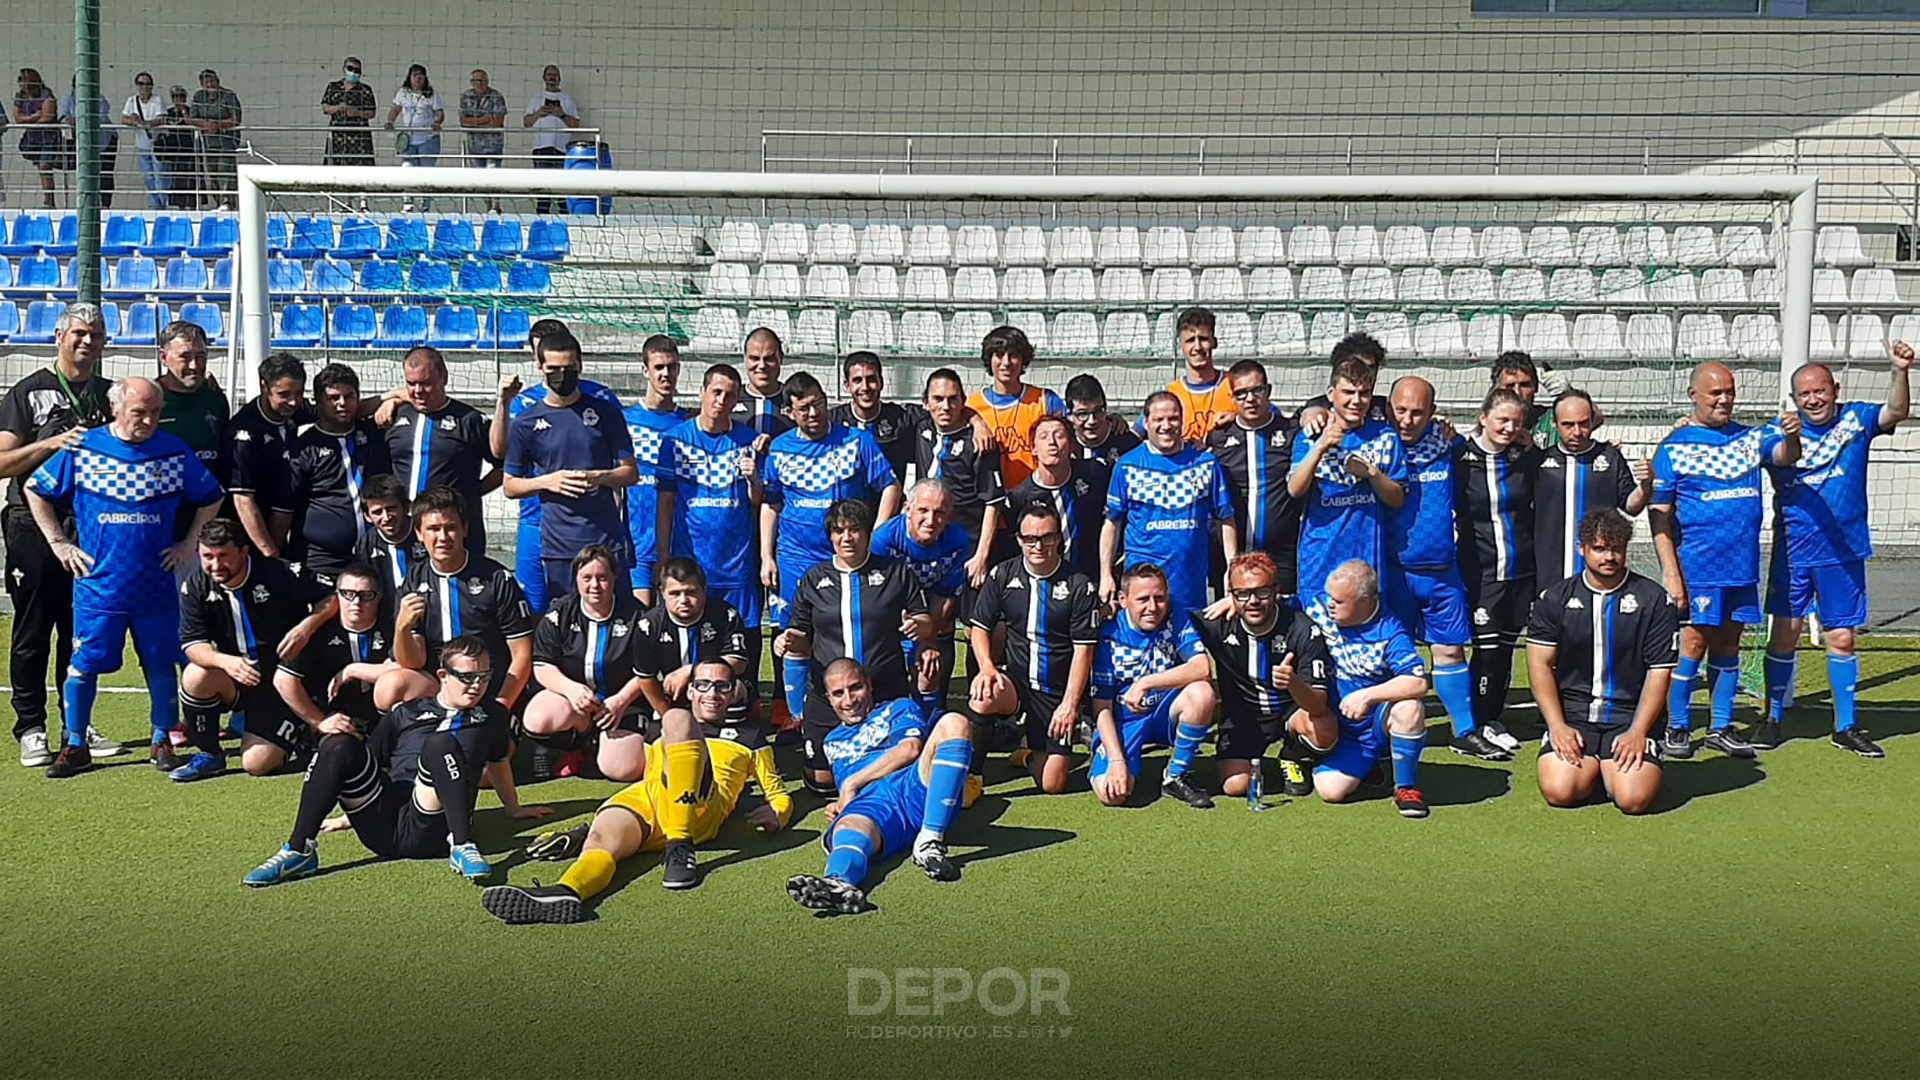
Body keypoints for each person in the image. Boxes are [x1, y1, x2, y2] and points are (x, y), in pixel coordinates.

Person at [483, 657, 789, 919]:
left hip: (700, 806)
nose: (713, 693)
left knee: (677, 717)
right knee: (601, 842)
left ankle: (680, 847)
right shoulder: (658, 727)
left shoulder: (750, 738)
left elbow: (777, 793)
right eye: (704, 685)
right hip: (648, 798)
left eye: (723, 685)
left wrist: (778, 813)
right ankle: (566, 892)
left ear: (734, 691)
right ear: (691, 690)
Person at [27, 377, 224, 778]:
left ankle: (161, 739)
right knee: (84, 664)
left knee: (161, 662)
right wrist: (59, 543)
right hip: (99, 584)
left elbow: (211, 496)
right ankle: (76, 743)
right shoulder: (83, 448)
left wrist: (188, 543)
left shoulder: (173, 450)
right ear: (117, 409)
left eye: (154, 412)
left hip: (156, 585)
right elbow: (36, 489)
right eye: (139, 412)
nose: (148, 420)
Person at [243, 634, 550, 888]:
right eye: (467, 677)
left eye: (484, 676)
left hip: (432, 824)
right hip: (383, 825)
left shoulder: (493, 716)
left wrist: (513, 808)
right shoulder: (406, 712)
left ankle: (462, 845)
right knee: (338, 745)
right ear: (443, 676)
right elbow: (372, 764)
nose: (477, 685)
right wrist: (347, 817)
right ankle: (299, 850)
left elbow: (498, 761)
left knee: (440, 743)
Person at [1760, 344, 1912, 758]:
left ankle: (1845, 726)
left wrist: (1900, 371)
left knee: (1842, 638)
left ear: (1834, 389)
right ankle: (1773, 718)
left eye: (1820, 390)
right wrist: (1792, 437)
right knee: (1785, 636)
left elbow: (1895, 412)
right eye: (1805, 394)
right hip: (1794, 551)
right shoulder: (1780, 432)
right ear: (1795, 399)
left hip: (1843, 552)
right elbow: (1784, 457)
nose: (1814, 399)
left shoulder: (1856, 419)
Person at [1649, 361, 1800, 760]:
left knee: (1730, 644)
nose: (1724, 399)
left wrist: (1793, 436)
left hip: (1741, 566)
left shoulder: (1752, 438)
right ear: (1693, 395)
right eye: (1715, 392)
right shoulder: (1674, 447)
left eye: (1730, 391)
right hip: (1698, 567)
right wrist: (1671, 571)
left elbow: (1785, 456)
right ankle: (1678, 728)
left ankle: (1720, 726)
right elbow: (1659, 515)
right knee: (1693, 644)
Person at [0, 303, 111, 768]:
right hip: (32, 524)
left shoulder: (111, 394)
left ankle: (76, 724)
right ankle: (30, 727)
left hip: (91, 525)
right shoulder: (28, 393)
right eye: (79, 334)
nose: (87, 342)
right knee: (33, 630)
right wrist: (49, 443)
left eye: (96, 335)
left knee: (81, 629)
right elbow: (2, 463)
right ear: (59, 337)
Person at [761, 373, 901, 729]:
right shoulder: (779, 449)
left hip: (847, 556)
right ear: (791, 412)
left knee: (856, 629)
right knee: (793, 635)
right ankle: (798, 716)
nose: (814, 413)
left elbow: (889, 486)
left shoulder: (857, 440)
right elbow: (771, 503)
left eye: (819, 403)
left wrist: (878, 533)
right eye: (804, 408)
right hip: (795, 557)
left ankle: (864, 706)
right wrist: (767, 555)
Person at [785, 659, 975, 915]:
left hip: (915, 788)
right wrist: (840, 803)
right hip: (874, 807)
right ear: (828, 698)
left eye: (855, 688)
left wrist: (852, 783)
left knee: (954, 722)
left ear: (870, 685)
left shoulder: (898, 708)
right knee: (850, 827)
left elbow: (910, 749)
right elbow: (845, 791)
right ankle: (839, 883)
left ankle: (929, 841)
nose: (849, 700)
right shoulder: (830, 741)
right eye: (838, 693)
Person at [1384, 376, 1503, 760]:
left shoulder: (1449, 447)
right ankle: (1386, 730)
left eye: (1417, 412)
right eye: (1400, 410)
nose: (1407, 419)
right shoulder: (1378, 447)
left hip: (1441, 571)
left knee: (1450, 651)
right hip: (1392, 572)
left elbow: (1495, 441)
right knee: (1391, 654)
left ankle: (1463, 730)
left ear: (1433, 414)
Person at [1530, 509, 1679, 815]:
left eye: (1616, 549)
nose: (1609, 556)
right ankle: (1591, 767)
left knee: (1633, 800)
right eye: (1600, 548)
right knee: (1561, 791)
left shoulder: (1655, 600)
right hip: (1575, 715)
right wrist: (1557, 726)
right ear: (1582, 548)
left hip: (1628, 716)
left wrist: (1638, 731)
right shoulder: (1554, 599)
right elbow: (1540, 665)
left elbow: (1659, 671)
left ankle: (1619, 766)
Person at [782, 499, 930, 795]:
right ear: (831, 537)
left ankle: (867, 775)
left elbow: (925, 618)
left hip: (884, 689)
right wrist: (787, 640)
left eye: (854, 530)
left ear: (867, 534)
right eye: (839, 531)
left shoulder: (896, 572)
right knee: (821, 784)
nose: (846, 538)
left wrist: (920, 626)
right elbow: (799, 630)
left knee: (900, 772)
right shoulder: (814, 578)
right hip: (830, 695)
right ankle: (861, 771)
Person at [177, 518, 337, 781]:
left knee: (257, 764)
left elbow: (331, 597)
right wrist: (226, 662)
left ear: (243, 551)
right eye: (207, 556)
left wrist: (306, 626)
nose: (216, 565)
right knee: (196, 674)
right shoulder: (196, 585)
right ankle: (209, 754)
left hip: (283, 683)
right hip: (240, 679)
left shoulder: (279, 573)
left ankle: (298, 729)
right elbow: (193, 645)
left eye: (223, 556)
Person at [490, 317, 623, 613]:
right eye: (544, 357)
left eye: (567, 366)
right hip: (538, 519)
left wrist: (603, 479)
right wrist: (502, 403)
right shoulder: (524, 404)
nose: (560, 373)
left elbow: (625, 467)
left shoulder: (600, 399)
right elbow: (500, 453)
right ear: (537, 359)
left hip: (594, 524)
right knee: (541, 605)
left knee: (603, 602)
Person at [967, 503, 1099, 799]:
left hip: (1055, 692)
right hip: (1017, 684)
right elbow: (979, 627)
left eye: (1046, 537)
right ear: (1019, 539)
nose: (1038, 545)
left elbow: (1084, 653)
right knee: (984, 692)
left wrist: (1070, 705)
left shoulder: (1079, 585)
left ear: (1058, 540)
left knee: (1053, 784)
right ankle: (972, 776)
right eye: (1030, 538)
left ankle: (1029, 750)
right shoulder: (1003, 574)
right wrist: (987, 667)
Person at [1191, 552, 1336, 801]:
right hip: (1243, 717)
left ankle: (1293, 757)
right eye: (1243, 593)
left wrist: (1293, 682)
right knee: (1235, 786)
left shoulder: (1302, 628)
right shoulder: (1216, 623)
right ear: (1231, 594)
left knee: (1325, 729)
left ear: (1276, 590)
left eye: (1262, 592)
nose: (1253, 601)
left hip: (1290, 712)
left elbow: (1318, 704)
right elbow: (1169, 622)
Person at [382, 486, 535, 714]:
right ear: (419, 533)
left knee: (485, 747)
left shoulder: (496, 579)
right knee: (388, 687)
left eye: (450, 528)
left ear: (465, 529)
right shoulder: (412, 581)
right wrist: (402, 628)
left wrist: (500, 709)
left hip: (485, 686)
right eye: (433, 529)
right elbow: (413, 663)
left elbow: (522, 653)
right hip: (437, 686)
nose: (443, 537)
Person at [1300, 559, 1434, 818]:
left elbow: (1418, 682)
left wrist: (1368, 695)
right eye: (1330, 597)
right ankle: (1373, 765)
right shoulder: (1317, 605)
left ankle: (1406, 787)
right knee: (1330, 791)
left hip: (1375, 722)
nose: (1329, 604)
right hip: (1341, 727)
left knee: (1410, 708)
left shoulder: (1391, 632)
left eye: (1338, 602)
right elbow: (1275, 605)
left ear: (1364, 601)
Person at [1088, 564, 1220, 809]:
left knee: (1202, 692)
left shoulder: (1175, 615)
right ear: (1123, 600)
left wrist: (1146, 683)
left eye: (1159, 598)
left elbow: (1202, 668)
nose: (1153, 607)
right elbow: (1102, 708)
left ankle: (1176, 776)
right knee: (1113, 794)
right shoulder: (1109, 635)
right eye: (1143, 599)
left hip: (1164, 710)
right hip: (1124, 720)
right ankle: (1106, 751)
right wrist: (1117, 760)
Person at [1454, 387, 1541, 750]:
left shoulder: (1524, 457)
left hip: (1521, 570)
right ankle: (1472, 725)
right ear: (1483, 417)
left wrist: (1530, 442)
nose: (1508, 428)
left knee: (1505, 650)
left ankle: (1493, 719)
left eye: (1515, 422)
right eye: (1502, 420)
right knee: (1485, 651)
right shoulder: (1459, 457)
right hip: (1481, 572)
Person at [656, 363, 762, 658]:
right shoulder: (675, 440)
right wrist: (663, 556)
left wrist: (754, 478)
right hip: (692, 563)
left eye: (729, 396)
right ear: (702, 392)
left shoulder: (748, 440)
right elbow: (665, 502)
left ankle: (748, 704)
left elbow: (757, 500)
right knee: (694, 647)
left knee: (744, 647)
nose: (721, 401)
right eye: (716, 392)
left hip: (737, 565)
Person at [520, 546, 651, 782]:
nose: (594, 586)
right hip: (577, 702)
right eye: (587, 578)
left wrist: (621, 700)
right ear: (576, 579)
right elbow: (542, 664)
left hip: (623, 703)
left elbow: (650, 671)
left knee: (622, 769)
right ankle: (577, 746)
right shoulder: (560, 613)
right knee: (537, 719)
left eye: (602, 578)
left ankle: (610, 745)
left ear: (615, 577)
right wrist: (571, 690)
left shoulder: (637, 615)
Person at [1099, 391, 1238, 614]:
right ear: (1146, 422)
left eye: (1173, 418)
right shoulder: (1127, 466)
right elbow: (1111, 524)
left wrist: (1232, 568)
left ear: (1182, 421)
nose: (1166, 425)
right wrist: (1105, 574)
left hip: (1190, 587)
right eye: (1158, 419)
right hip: (1143, 590)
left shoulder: (1206, 463)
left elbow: (1225, 518)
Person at [1286, 353, 1407, 602]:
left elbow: (1397, 499)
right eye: (1348, 392)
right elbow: (1295, 490)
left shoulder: (1385, 437)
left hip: (1366, 558)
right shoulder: (1310, 436)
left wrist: (1373, 474)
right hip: (1319, 559)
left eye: (1364, 393)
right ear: (1331, 393)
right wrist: (1320, 447)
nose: (1356, 401)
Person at [283, 364, 391, 587]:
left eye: (349, 396)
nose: (342, 403)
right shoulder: (303, 449)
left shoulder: (374, 433)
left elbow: (408, 394)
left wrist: (393, 400)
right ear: (318, 401)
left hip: (377, 552)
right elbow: (284, 511)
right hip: (322, 560)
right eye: (333, 397)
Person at [872, 479, 971, 722]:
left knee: (930, 661)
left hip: (928, 608)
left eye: (939, 513)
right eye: (923, 510)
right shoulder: (884, 540)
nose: (930, 520)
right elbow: (875, 598)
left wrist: (927, 641)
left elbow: (944, 597)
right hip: (887, 610)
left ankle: (931, 721)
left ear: (949, 516)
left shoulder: (958, 541)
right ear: (907, 508)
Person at [386, 346, 499, 556]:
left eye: (426, 383)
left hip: (452, 532)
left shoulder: (470, 420)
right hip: (406, 530)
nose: (418, 390)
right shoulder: (395, 417)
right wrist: (389, 399)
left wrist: (474, 491)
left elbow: (506, 465)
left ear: (444, 377)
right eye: (411, 384)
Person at [1533, 389, 1651, 589]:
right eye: (1568, 425)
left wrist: (1646, 485)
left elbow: (1631, 506)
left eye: (1583, 423)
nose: (1577, 432)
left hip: (1599, 573)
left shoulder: (1610, 457)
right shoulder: (1539, 461)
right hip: (1549, 572)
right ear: (1555, 424)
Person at [1206, 359, 1302, 594]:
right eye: (1241, 393)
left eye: (1257, 390)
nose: (1250, 399)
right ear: (1232, 397)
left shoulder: (1292, 432)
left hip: (1280, 555)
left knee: (1282, 622)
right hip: (1230, 556)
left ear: (1268, 391)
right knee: (1232, 625)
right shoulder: (1218, 439)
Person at [273, 562, 398, 739]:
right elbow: (283, 680)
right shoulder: (319, 630)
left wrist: (353, 670)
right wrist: (320, 721)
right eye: (348, 594)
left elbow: (408, 667)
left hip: (384, 714)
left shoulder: (391, 626)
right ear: (337, 596)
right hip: (338, 716)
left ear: (379, 597)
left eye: (366, 595)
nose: (356, 602)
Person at [907, 367, 1005, 587]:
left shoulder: (980, 443)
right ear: (926, 402)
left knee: (971, 617)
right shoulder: (920, 426)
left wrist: (981, 556)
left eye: (953, 399)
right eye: (938, 399)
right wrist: (976, 418)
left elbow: (993, 503)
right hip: (929, 541)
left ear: (963, 401)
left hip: (967, 545)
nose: (945, 406)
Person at [622, 335, 690, 603]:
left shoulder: (688, 423)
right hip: (637, 541)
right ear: (645, 371)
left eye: (671, 367)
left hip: (679, 541)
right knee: (640, 620)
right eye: (659, 367)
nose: (666, 374)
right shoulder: (626, 421)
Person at [1007, 414, 1108, 583]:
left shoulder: (1095, 473)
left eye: (1059, 436)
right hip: (1048, 584)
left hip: (1093, 577)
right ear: (1033, 448)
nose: (1052, 442)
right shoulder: (1020, 497)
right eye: (1044, 437)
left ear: (1071, 445)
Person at [227, 352, 306, 560]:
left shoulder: (291, 411)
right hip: (248, 540)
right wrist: (269, 553)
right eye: (284, 394)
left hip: (280, 532)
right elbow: (243, 500)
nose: (293, 401)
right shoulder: (245, 433)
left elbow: (338, 411)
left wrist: (392, 398)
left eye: (299, 393)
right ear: (264, 386)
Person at [967, 325, 1064, 489]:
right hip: (988, 501)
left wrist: (1111, 420)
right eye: (999, 355)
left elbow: (1076, 431)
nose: (1006, 362)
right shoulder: (971, 407)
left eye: (1013, 356)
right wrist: (975, 421)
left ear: (1023, 360)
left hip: (1035, 499)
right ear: (989, 360)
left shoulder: (1045, 400)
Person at [831, 351, 925, 483]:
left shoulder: (902, 419)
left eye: (871, 379)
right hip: (847, 502)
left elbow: (937, 412)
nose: (865, 387)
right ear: (848, 386)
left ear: (881, 382)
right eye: (857, 380)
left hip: (890, 500)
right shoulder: (833, 421)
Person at [353, 473, 423, 613]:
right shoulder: (365, 546)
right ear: (367, 516)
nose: (386, 517)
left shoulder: (424, 533)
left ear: (405, 507)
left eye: (391, 508)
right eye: (377, 512)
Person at [1165, 307, 1237, 445]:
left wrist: (1240, 418)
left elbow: (1271, 417)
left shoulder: (1235, 385)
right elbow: (1137, 433)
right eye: (1190, 340)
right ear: (1181, 346)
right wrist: (1113, 420)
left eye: (1203, 339)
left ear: (1214, 342)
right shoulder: (1170, 394)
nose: (1197, 347)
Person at [1296, 332, 1392, 435]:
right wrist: (1310, 415)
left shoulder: (1384, 407)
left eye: (1371, 368)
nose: (1364, 372)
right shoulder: (1320, 405)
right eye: (1357, 366)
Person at [524, 65, 580, 215]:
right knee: (543, 186)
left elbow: (576, 124)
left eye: (554, 75)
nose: (552, 77)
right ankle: (541, 217)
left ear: (559, 78)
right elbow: (526, 123)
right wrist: (539, 114)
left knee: (562, 186)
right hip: (541, 148)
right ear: (544, 77)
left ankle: (565, 217)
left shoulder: (567, 99)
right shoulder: (536, 99)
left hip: (562, 149)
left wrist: (561, 114)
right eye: (549, 74)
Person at [59, 77, 118, 206]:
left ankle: (105, 204)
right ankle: (88, 204)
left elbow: (102, 116)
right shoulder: (68, 98)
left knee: (105, 172)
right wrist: (73, 120)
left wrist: (79, 121)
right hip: (84, 142)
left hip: (105, 140)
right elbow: (63, 117)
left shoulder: (98, 98)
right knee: (86, 173)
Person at [187, 69, 242, 208]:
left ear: (218, 81)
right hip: (208, 141)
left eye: (212, 81)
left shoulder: (229, 96)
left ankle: (227, 202)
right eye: (206, 82)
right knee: (212, 173)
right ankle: (218, 202)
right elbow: (191, 118)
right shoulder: (199, 97)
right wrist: (206, 125)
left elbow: (236, 119)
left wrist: (218, 125)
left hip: (226, 140)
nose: (210, 84)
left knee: (225, 171)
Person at [1065, 373, 1138, 470]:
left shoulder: (1128, 444)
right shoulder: (1064, 444)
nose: (1092, 421)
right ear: (1070, 415)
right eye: (1082, 414)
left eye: (1098, 411)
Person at [459, 68, 507, 211]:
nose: (478, 83)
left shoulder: (497, 96)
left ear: (487, 81)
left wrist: (474, 122)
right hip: (474, 145)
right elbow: (463, 121)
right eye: (475, 81)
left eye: (481, 80)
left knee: (493, 175)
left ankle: (496, 205)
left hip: (493, 145)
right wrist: (485, 119)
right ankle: (488, 206)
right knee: (479, 178)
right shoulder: (466, 96)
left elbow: (498, 122)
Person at [734, 326, 792, 437]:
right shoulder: (730, 399)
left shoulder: (794, 400)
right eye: (754, 358)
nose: (762, 366)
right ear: (745, 359)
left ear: (781, 358)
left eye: (769, 359)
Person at [14, 69, 60, 208]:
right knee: (41, 168)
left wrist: (27, 121)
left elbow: (48, 116)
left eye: (23, 81)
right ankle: (48, 200)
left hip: (48, 137)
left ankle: (49, 201)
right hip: (33, 137)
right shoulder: (20, 96)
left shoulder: (47, 95)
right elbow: (17, 117)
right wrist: (33, 117)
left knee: (44, 166)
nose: (21, 85)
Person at [122, 71, 169, 208]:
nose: (145, 87)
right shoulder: (131, 100)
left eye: (148, 84)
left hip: (157, 144)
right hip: (142, 144)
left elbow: (161, 118)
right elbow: (124, 119)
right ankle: (155, 204)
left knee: (160, 175)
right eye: (141, 84)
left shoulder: (157, 100)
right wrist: (136, 121)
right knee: (148, 176)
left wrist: (146, 123)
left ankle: (161, 204)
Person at [320, 57, 376, 169]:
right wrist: (339, 107)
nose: (353, 72)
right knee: (334, 167)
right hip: (337, 137)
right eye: (350, 68)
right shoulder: (333, 87)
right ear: (344, 69)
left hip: (359, 138)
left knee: (361, 170)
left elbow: (372, 113)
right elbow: (325, 108)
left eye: (357, 70)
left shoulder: (365, 90)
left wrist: (357, 113)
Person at [155, 86, 198, 208]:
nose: (178, 99)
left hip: (189, 149)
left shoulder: (191, 111)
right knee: (175, 178)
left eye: (181, 96)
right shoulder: (168, 113)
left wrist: (184, 111)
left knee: (190, 178)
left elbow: (191, 122)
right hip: (174, 150)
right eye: (175, 96)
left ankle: (193, 205)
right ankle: (179, 205)